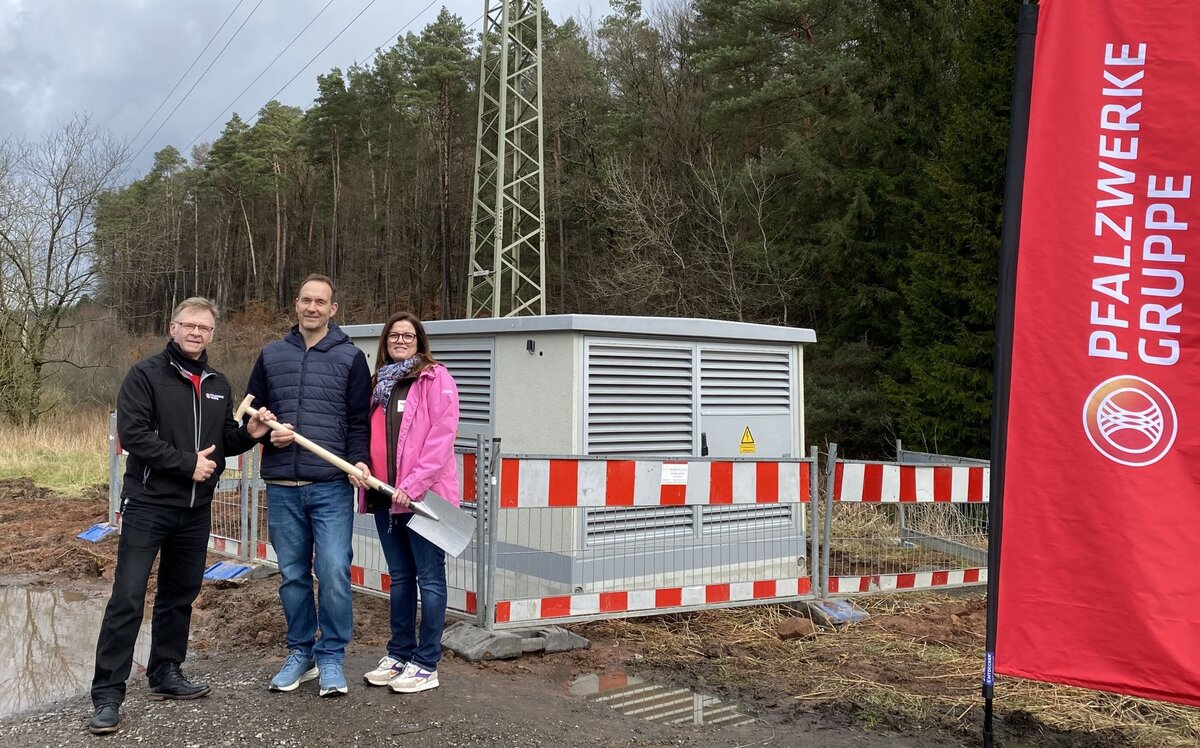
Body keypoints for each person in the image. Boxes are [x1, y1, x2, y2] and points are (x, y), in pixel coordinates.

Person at [90, 298, 274, 735]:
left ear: (212, 334)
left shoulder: (218, 382)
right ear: (172, 327)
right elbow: (132, 434)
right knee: (128, 597)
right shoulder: (145, 375)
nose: (196, 333)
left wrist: (249, 434)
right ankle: (108, 695)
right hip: (149, 504)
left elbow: (222, 442)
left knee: (179, 595)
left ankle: (165, 672)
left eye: (204, 328)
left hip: (195, 511)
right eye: (188, 325)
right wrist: (184, 463)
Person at [247, 274, 371, 697]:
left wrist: (359, 461)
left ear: (333, 309)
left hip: (330, 484)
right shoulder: (270, 355)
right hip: (282, 484)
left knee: (334, 570)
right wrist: (266, 432)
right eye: (306, 300)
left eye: (321, 302)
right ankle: (301, 653)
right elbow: (252, 420)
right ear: (295, 305)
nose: (312, 307)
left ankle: (331, 656)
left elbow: (359, 422)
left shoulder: (351, 358)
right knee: (293, 575)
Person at [350, 312, 460, 694]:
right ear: (385, 341)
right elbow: (365, 433)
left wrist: (412, 486)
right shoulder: (377, 384)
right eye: (393, 335)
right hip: (384, 495)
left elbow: (440, 438)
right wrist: (360, 466)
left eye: (407, 335)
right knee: (400, 578)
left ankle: (426, 663)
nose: (400, 340)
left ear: (419, 340)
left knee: (429, 579)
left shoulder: (434, 378)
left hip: (424, 498)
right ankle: (399, 653)